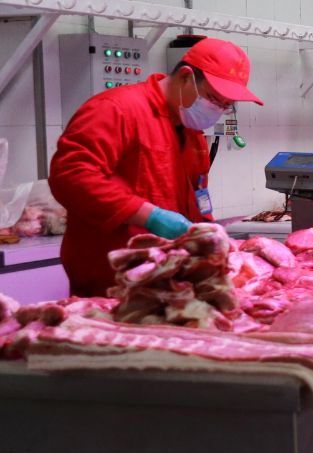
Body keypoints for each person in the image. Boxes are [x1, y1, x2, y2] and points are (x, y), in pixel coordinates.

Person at [48, 37, 262, 297]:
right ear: (185, 77)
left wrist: (209, 240)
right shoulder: (117, 109)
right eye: (214, 99)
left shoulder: (190, 130)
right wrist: (148, 215)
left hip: (169, 279)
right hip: (114, 278)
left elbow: (197, 196)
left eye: (226, 106)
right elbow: (71, 174)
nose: (218, 110)